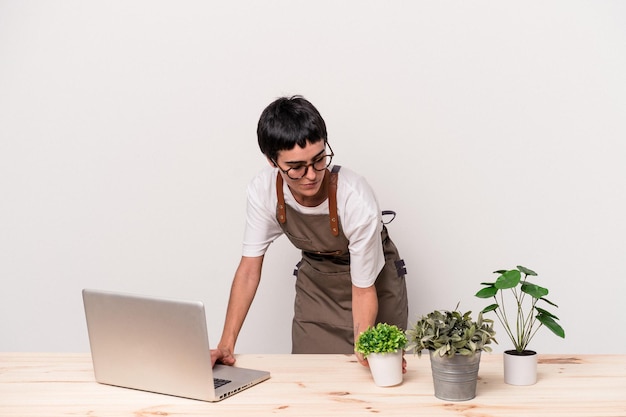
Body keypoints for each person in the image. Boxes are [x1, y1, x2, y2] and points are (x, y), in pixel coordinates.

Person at [211, 95, 408, 369]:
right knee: (310, 378)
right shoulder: (264, 192)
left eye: (319, 160)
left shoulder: (355, 198)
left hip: (374, 283)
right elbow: (248, 269)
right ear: (272, 161)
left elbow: (363, 289)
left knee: (372, 378)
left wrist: (364, 346)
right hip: (318, 289)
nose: (312, 175)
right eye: (296, 167)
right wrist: (226, 345)